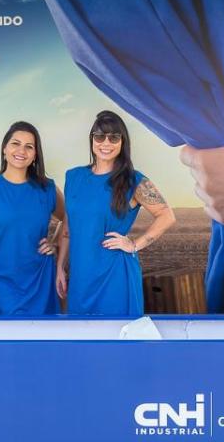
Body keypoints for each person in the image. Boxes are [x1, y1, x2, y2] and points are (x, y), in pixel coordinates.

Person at [58, 110, 177, 316]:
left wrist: (134, 245)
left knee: (118, 341)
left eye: (114, 137)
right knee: (84, 341)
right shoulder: (74, 177)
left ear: (123, 142)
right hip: (81, 276)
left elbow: (167, 216)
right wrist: (60, 266)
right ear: (92, 139)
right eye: (100, 136)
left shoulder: (133, 180)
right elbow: (68, 226)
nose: (106, 143)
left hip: (115, 275)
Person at [0, 122, 65, 316]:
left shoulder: (48, 190)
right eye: (15, 143)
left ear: (35, 154)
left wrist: (55, 244)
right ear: (4, 148)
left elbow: (69, 220)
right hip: (0, 285)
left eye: (29, 146)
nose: (22, 150)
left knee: (43, 344)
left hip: (42, 283)